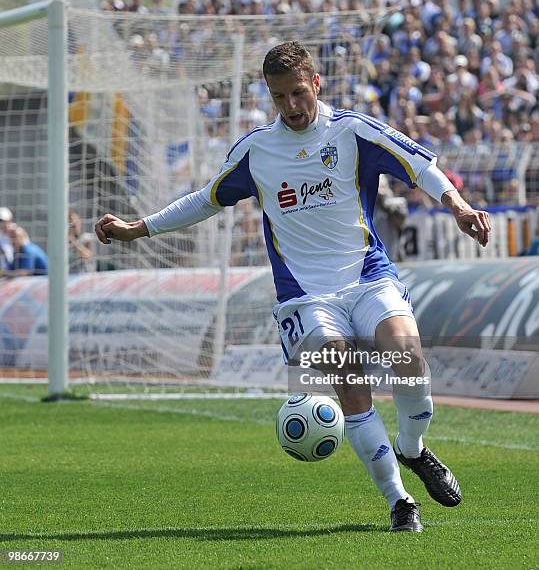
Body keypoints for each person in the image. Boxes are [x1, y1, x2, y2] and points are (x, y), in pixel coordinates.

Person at [95, 41, 491, 533]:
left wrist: (457, 205)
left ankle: (413, 449)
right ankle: (400, 501)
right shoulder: (257, 150)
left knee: (407, 358)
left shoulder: (352, 131)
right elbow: (206, 200)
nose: (291, 106)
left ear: (316, 83)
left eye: (298, 93)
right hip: (303, 298)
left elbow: (421, 166)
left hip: (366, 276)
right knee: (348, 376)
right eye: (279, 97)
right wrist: (140, 228)